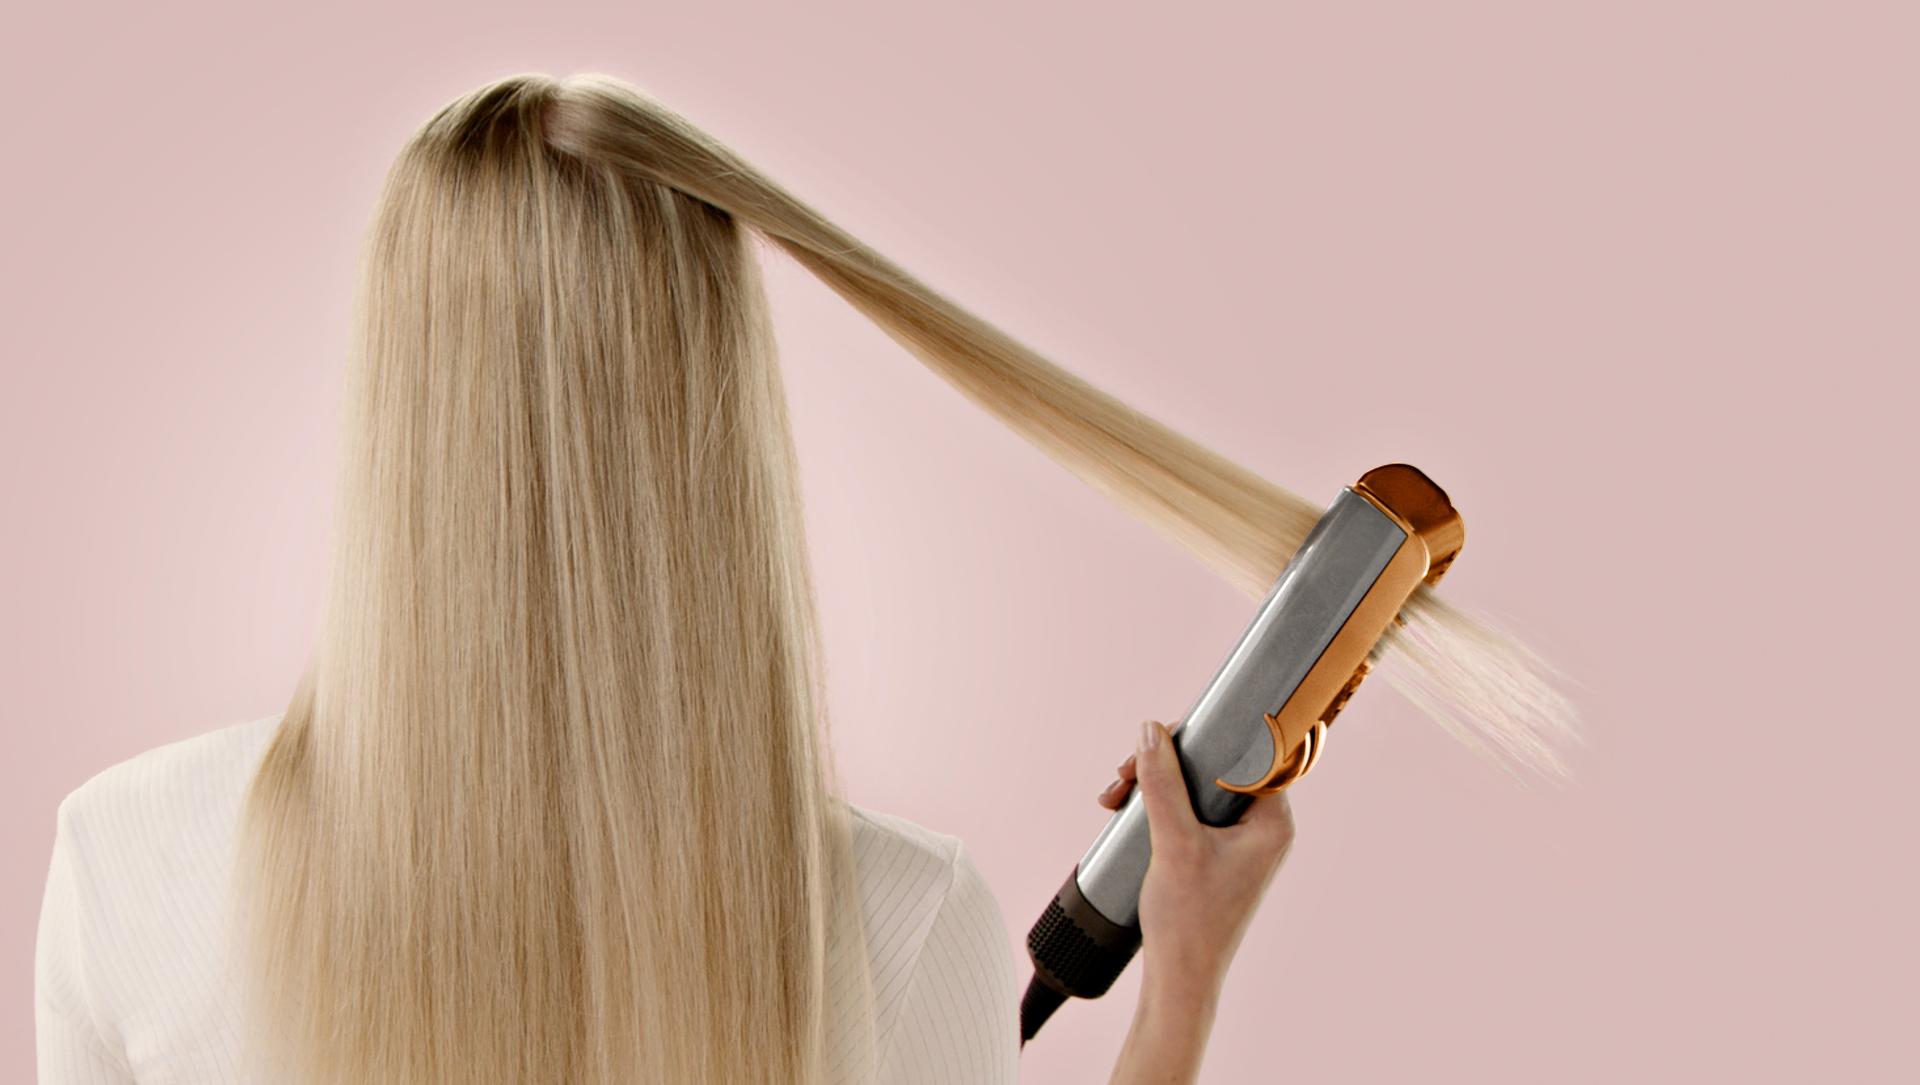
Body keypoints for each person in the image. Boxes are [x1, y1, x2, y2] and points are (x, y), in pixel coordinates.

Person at [35, 72, 1301, 1084]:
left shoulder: (127, 858)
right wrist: (1181, 965)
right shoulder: (904, 922)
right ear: (717, 413)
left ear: (394, 399)